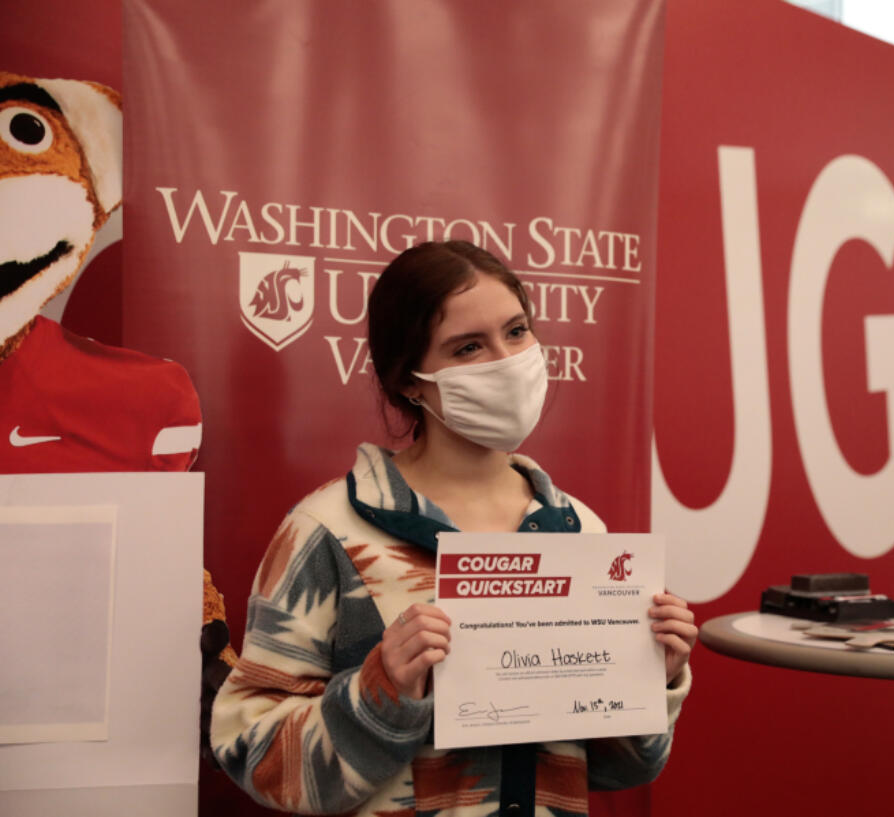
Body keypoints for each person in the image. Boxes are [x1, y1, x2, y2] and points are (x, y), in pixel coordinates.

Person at [211, 240, 696, 816]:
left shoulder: (579, 532)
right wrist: (381, 691)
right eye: (468, 347)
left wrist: (651, 679)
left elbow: (619, 769)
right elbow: (252, 751)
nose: (505, 361)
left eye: (516, 332)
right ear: (409, 380)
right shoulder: (327, 530)